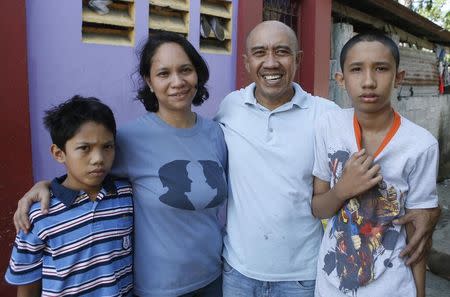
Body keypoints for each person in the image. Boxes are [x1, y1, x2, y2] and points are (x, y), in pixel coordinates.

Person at [214, 21, 440, 297]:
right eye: (260, 52)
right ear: (247, 62)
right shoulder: (230, 107)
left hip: (303, 276)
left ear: (298, 60)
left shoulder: (325, 116)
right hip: (238, 270)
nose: (271, 62)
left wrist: (430, 211)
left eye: (282, 51)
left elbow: (418, 221)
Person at [13, 32, 227, 297]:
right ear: (149, 81)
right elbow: (87, 172)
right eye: (163, 73)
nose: (177, 81)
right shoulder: (128, 139)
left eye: (186, 70)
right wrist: (45, 186)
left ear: (197, 74)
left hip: (215, 279)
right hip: (159, 288)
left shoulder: (216, 134)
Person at [311, 32, 438, 297]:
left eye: (381, 69)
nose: (368, 82)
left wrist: (421, 293)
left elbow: (419, 234)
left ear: (398, 78)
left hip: (392, 288)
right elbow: (319, 208)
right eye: (356, 70)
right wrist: (343, 189)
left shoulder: (421, 145)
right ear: (341, 79)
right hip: (332, 287)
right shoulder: (329, 126)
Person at [4, 96, 134, 296]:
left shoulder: (126, 196)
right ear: (58, 153)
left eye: (107, 147)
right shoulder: (39, 215)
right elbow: (28, 285)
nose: (98, 159)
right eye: (84, 148)